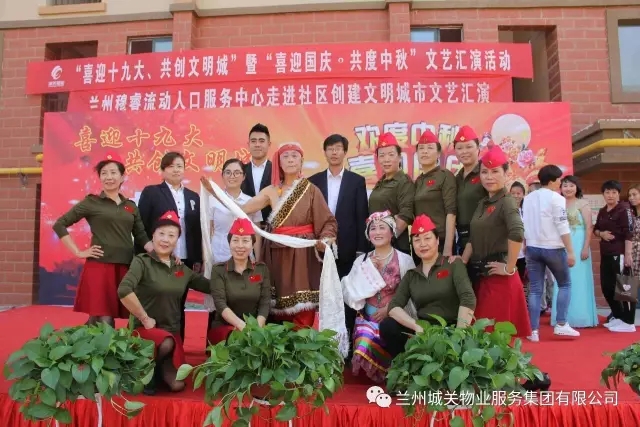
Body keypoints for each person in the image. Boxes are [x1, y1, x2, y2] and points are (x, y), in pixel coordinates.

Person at [201, 142, 337, 328]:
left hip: (302, 255)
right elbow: (240, 209)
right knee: (274, 302)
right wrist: (215, 193)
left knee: (303, 306)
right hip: (276, 252)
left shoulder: (311, 190)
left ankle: (301, 343)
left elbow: (328, 221)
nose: (290, 160)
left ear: (301, 161)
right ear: (279, 162)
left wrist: (325, 239)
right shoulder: (271, 190)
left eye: (294, 156)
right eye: (285, 156)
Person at [52, 152, 153, 327]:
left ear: (122, 177)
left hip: (124, 266)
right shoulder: (92, 202)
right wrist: (78, 252)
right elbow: (59, 224)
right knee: (105, 317)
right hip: (100, 266)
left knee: (99, 316)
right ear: (99, 178)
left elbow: (141, 236)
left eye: (113, 172)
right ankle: (100, 343)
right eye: (104, 173)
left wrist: (161, 254)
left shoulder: (130, 206)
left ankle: (84, 341)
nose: (109, 177)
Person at [117, 211, 211, 394]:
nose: (165, 239)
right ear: (153, 235)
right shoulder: (142, 262)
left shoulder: (181, 269)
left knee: (177, 385)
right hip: (145, 331)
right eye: (161, 233)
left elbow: (211, 287)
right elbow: (124, 290)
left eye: (171, 235)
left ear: (177, 240)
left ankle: (158, 368)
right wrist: (144, 318)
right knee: (165, 342)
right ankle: (148, 370)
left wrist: (231, 273)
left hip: (172, 334)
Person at [380, 214, 476, 358]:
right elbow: (393, 307)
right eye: (417, 240)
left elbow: (468, 298)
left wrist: (459, 335)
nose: (422, 244)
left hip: (451, 329)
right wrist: (416, 325)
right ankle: (404, 363)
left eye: (427, 238)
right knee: (388, 326)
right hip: (424, 331)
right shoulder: (411, 275)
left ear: (437, 240)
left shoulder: (453, 264)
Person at [308, 134, 369, 362]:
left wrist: (361, 252)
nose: (334, 152)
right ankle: (320, 348)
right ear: (324, 152)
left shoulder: (356, 181)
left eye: (338, 148)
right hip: (320, 249)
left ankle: (346, 348)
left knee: (346, 298)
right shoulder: (313, 181)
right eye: (330, 148)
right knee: (321, 297)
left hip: (348, 250)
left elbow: (361, 216)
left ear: (345, 152)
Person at [461, 146, 531, 338]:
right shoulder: (483, 203)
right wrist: (462, 261)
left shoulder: (506, 201)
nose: (489, 177)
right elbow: (474, 237)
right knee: (482, 337)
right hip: (482, 276)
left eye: (495, 172)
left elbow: (517, 232)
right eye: (484, 172)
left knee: (495, 339)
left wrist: (510, 267)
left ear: (506, 174)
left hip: (500, 280)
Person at [341, 211, 415, 382]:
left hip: (394, 316)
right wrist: (365, 270)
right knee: (364, 346)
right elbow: (348, 290)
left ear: (392, 233)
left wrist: (389, 308)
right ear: (368, 235)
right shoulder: (362, 260)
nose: (377, 232)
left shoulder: (404, 260)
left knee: (391, 330)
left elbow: (411, 293)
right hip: (367, 318)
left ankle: (397, 370)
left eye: (382, 227)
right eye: (373, 228)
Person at [137, 151, 203, 341]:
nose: (176, 170)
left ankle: (177, 345)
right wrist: (148, 249)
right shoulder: (151, 192)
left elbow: (196, 231)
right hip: (158, 257)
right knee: (158, 301)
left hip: (184, 259)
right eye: (171, 166)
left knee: (179, 302)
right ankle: (152, 342)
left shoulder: (193, 196)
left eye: (179, 166)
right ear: (162, 170)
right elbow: (140, 224)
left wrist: (197, 258)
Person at [202, 158, 261, 341]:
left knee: (242, 298)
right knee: (218, 300)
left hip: (245, 257)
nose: (232, 176)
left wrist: (257, 258)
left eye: (237, 172)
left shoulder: (251, 201)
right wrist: (206, 258)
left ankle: (242, 341)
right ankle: (213, 344)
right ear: (222, 175)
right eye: (228, 172)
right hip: (219, 255)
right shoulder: (212, 200)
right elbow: (207, 230)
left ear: (243, 176)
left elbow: (257, 233)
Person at [523, 165, 579, 341]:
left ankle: (533, 331)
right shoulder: (557, 198)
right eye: (559, 180)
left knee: (535, 290)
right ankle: (561, 324)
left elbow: (523, 223)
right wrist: (571, 251)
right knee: (565, 284)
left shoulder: (528, 198)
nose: (560, 183)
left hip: (532, 247)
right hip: (553, 247)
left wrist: (526, 244)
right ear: (553, 181)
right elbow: (562, 225)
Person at [207, 218, 272, 344]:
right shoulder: (218, 270)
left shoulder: (261, 269)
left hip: (254, 329)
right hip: (225, 329)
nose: (240, 246)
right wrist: (244, 328)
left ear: (252, 244)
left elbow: (265, 302)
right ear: (229, 243)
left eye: (245, 241)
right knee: (237, 339)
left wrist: (256, 329)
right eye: (235, 240)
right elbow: (220, 304)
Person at [551, 175, 598, 328]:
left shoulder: (582, 204)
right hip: (561, 245)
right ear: (560, 188)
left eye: (571, 185)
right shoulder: (558, 203)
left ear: (577, 187)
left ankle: (581, 317)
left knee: (578, 281)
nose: (568, 188)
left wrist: (585, 247)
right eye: (565, 185)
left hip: (578, 245)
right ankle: (562, 318)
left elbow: (589, 227)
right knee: (562, 279)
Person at [595, 180, 635, 332]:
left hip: (620, 253)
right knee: (607, 287)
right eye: (607, 192)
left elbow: (629, 233)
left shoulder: (624, 209)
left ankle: (629, 322)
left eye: (614, 192)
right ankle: (618, 317)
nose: (610, 195)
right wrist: (601, 234)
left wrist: (628, 254)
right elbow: (596, 229)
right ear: (603, 194)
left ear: (618, 194)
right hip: (606, 253)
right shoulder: (603, 211)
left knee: (624, 287)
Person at [368, 132, 414, 255]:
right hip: (378, 247)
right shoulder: (381, 182)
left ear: (399, 157)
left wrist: (386, 242)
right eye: (382, 155)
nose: (386, 159)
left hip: (395, 249)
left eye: (391, 154)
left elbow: (406, 215)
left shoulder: (404, 181)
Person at [413, 129, 457, 258]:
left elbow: (451, 213)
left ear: (438, 153)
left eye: (430, 148)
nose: (425, 151)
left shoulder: (445, 176)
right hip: (420, 243)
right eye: (421, 148)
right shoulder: (418, 181)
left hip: (440, 242)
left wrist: (447, 249)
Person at [454, 125, 487, 255]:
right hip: (461, 239)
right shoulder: (456, 178)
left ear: (478, 148)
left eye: (469, 147)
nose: (464, 151)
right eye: (459, 148)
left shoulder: (486, 173)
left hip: (482, 238)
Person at [241, 123, 273, 225]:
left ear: (269, 144)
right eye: (253, 141)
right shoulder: (240, 171)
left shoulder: (278, 171)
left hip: (272, 228)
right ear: (248, 144)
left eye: (262, 141)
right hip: (245, 228)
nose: (257, 144)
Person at [625, 184, 640, 330]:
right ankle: (627, 317)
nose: (631, 198)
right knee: (629, 283)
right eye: (630, 195)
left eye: (635, 194)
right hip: (631, 252)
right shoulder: (630, 214)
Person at [510, 182, 527, 285]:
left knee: (520, 280)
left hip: (522, 252)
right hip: (509, 252)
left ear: (523, 195)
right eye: (513, 193)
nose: (516, 196)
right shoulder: (506, 210)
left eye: (518, 193)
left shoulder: (526, 210)